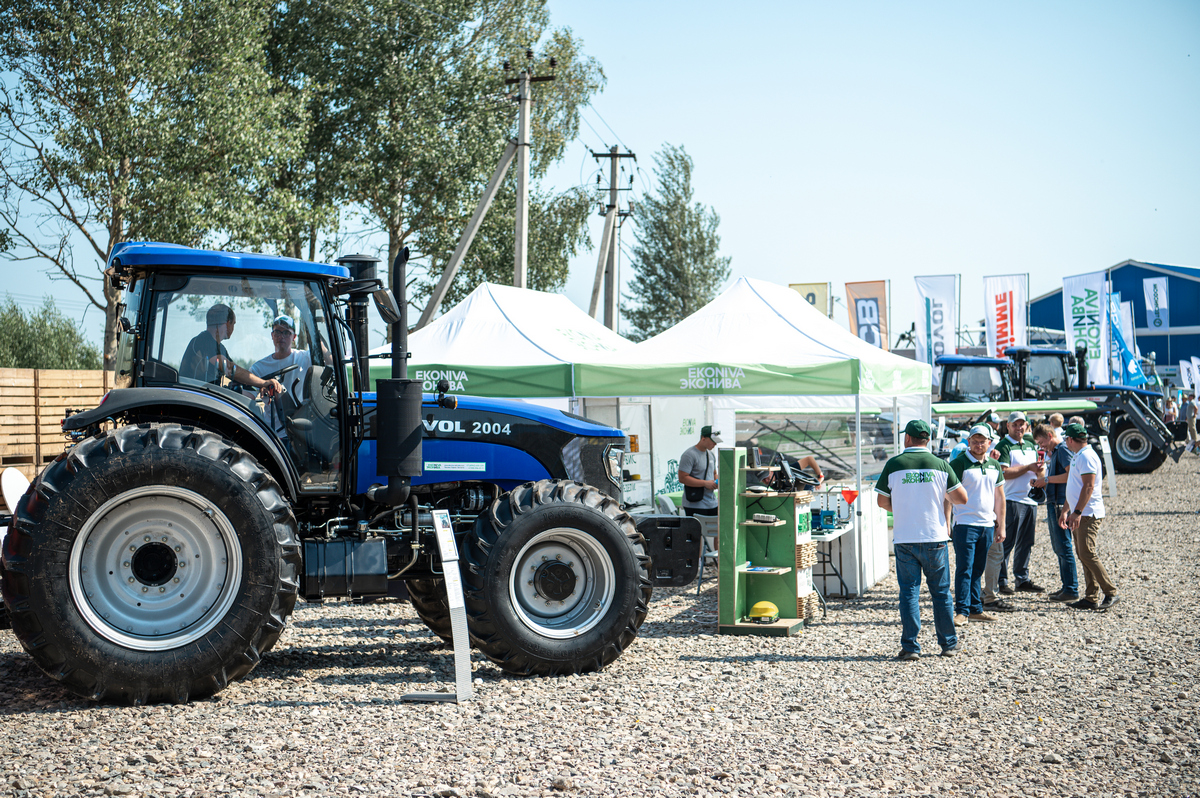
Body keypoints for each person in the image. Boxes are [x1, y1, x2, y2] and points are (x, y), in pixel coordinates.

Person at [875, 419, 968, 660]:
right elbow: (962, 498)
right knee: (940, 593)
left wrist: (905, 509)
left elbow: (882, 501)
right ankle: (948, 644)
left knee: (909, 593)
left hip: (905, 537)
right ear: (928, 439)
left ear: (907, 438)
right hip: (934, 536)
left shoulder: (893, 464)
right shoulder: (940, 464)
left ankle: (910, 647)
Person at [947, 424, 1006, 626]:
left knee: (978, 568)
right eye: (975, 440)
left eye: (983, 441)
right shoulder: (959, 463)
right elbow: (947, 495)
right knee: (965, 568)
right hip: (964, 524)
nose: (979, 444)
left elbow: (1000, 497)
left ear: (989, 443)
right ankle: (962, 611)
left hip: (987, 525)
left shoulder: (994, 465)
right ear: (969, 442)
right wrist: (947, 523)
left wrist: (1002, 525)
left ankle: (975, 609)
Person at [1058, 422, 1118, 611]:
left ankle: (1111, 592)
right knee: (1083, 554)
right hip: (1081, 512)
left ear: (1070, 439)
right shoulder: (1080, 455)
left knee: (1087, 553)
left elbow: (1088, 487)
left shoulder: (1087, 457)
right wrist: (1066, 510)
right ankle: (1091, 597)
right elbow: (1075, 487)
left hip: (1088, 513)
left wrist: (1076, 512)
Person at [993, 410, 1045, 595]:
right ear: (1008, 426)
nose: (1018, 427)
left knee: (1026, 541)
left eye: (1021, 424)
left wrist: (1040, 473)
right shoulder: (1004, 445)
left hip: (1030, 499)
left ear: (1027, 426)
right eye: (1014, 424)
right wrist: (1029, 468)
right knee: (1007, 542)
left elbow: (1038, 467)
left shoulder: (1031, 444)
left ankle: (1022, 578)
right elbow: (1004, 474)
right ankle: (1001, 580)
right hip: (1012, 499)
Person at [179, 304, 282, 397]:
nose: (233, 328)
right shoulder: (204, 340)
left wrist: (259, 386)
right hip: (194, 398)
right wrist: (263, 383)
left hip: (205, 396)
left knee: (250, 398)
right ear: (228, 324)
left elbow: (235, 375)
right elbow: (231, 369)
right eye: (234, 324)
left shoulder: (219, 348)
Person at [1032, 423, 1078, 603]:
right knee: (1059, 546)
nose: (1041, 446)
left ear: (1050, 435)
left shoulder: (1063, 450)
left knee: (1063, 546)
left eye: (1042, 442)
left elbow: (1070, 475)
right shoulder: (1056, 452)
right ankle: (1067, 586)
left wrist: (1047, 479)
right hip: (1055, 501)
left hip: (1060, 504)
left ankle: (1071, 588)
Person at [250, 314, 313, 441]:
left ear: (294, 337)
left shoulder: (305, 358)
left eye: (286, 332)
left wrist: (315, 338)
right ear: (272, 335)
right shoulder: (259, 368)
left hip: (300, 432)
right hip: (271, 436)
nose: (281, 336)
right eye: (277, 331)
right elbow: (247, 399)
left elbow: (330, 361)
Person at [679, 426, 720, 517]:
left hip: (712, 503)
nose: (715, 444)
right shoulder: (689, 455)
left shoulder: (711, 455)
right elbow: (682, 478)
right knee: (697, 531)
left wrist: (716, 482)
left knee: (713, 530)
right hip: (695, 504)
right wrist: (705, 483)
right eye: (713, 441)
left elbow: (714, 473)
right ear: (703, 438)